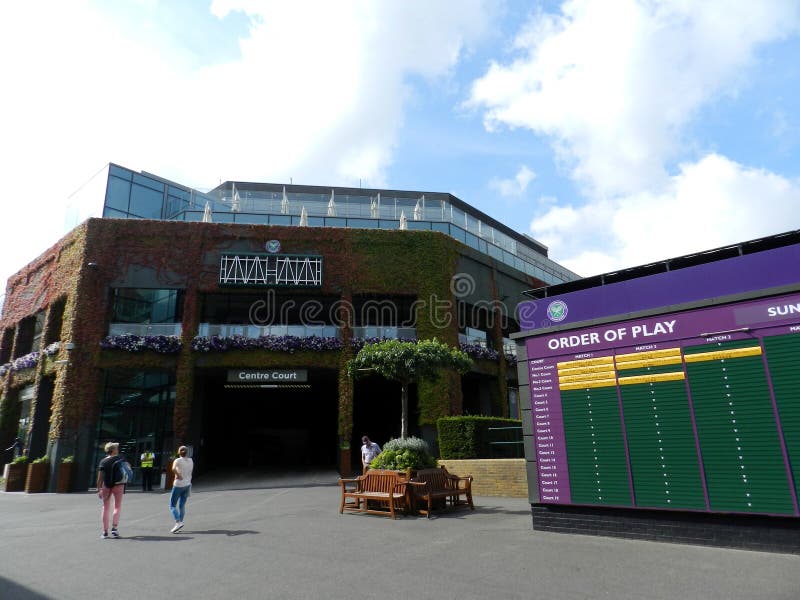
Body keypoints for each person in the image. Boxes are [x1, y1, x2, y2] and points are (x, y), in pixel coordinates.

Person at [96, 442, 126, 539]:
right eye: (116, 448)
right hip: (119, 485)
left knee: (105, 507)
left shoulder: (103, 462)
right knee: (117, 506)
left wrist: (99, 489)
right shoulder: (120, 459)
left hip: (106, 485)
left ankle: (105, 532)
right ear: (113, 450)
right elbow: (127, 468)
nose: (118, 449)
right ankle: (114, 528)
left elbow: (100, 478)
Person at [169, 445, 193, 533]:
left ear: (179, 452)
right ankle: (180, 523)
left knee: (172, 505)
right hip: (187, 484)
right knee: (182, 505)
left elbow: (173, 468)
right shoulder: (190, 460)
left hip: (178, 484)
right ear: (187, 452)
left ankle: (178, 522)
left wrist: (178, 475)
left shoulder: (177, 460)